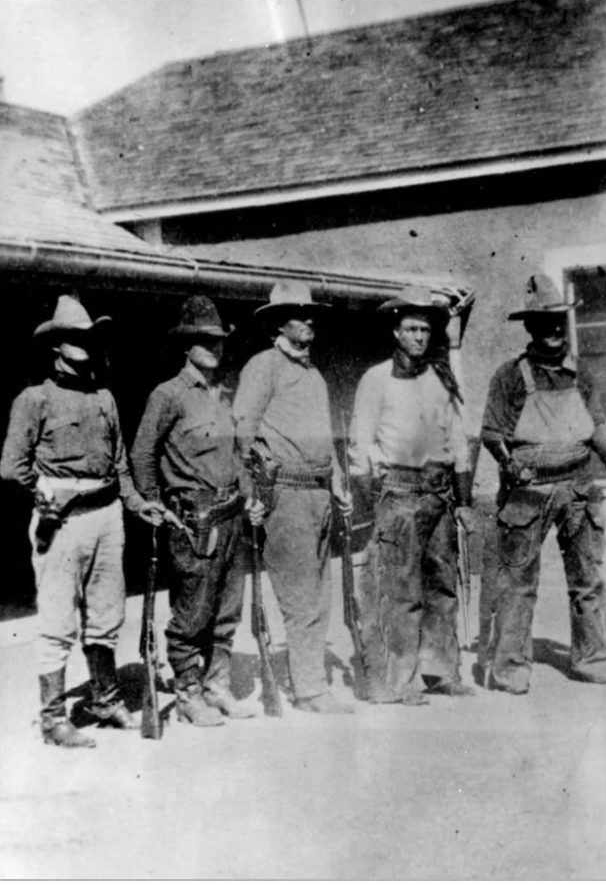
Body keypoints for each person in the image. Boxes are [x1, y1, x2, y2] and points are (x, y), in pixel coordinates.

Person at [0, 294, 163, 748]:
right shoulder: (34, 400)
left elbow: (121, 464)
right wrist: (45, 493)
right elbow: (11, 466)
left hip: (107, 517)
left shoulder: (104, 398)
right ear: (56, 347)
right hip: (63, 522)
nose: (86, 347)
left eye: (91, 338)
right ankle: (53, 719)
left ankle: (105, 698)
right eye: (76, 339)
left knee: (107, 615)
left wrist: (135, 504)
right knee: (56, 620)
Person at [478, 274, 606, 694]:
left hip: (578, 489)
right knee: (517, 584)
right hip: (528, 492)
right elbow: (492, 433)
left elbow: (599, 427)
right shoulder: (509, 376)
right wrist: (507, 464)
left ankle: (594, 661)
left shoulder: (582, 375)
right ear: (530, 328)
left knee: (587, 579)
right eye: (542, 324)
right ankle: (510, 670)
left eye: (558, 324)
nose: (552, 331)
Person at [131, 295, 263, 726]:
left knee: (227, 610)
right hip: (193, 520)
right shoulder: (168, 395)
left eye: (219, 340)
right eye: (203, 340)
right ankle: (188, 693)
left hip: (231, 517)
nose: (214, 347)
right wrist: (153, 504)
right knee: (192, 612)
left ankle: (217, 686)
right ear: (185, 346)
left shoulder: (222, 396)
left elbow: (237, 455)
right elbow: (142, 453)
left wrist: (250, 494)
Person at [348, 283, 477, 704]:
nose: (420, 337)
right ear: (396, 333)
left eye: (425, 330)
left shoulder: (442, 379)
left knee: (441, 586)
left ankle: (440, 671)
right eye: (412, 329)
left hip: (439, 493)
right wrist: (371, 497)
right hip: (397, 493)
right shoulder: (376, 380)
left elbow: (458, 437)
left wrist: (463, 500)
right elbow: (359, 444)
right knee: (400, 591)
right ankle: (396, 681)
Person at [232, 282, 354, 714]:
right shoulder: (264, 367)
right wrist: (250, 493)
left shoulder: (313, 373)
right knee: (301, 596)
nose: (309, 320)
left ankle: (310, 678)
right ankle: (309, 690)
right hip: (285, 494)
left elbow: (324, 437)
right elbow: (241, 433)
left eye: (310, 314)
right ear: (277, 321)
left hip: (319, 492)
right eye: (298, 314)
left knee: (321, 595)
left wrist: (338, 479)